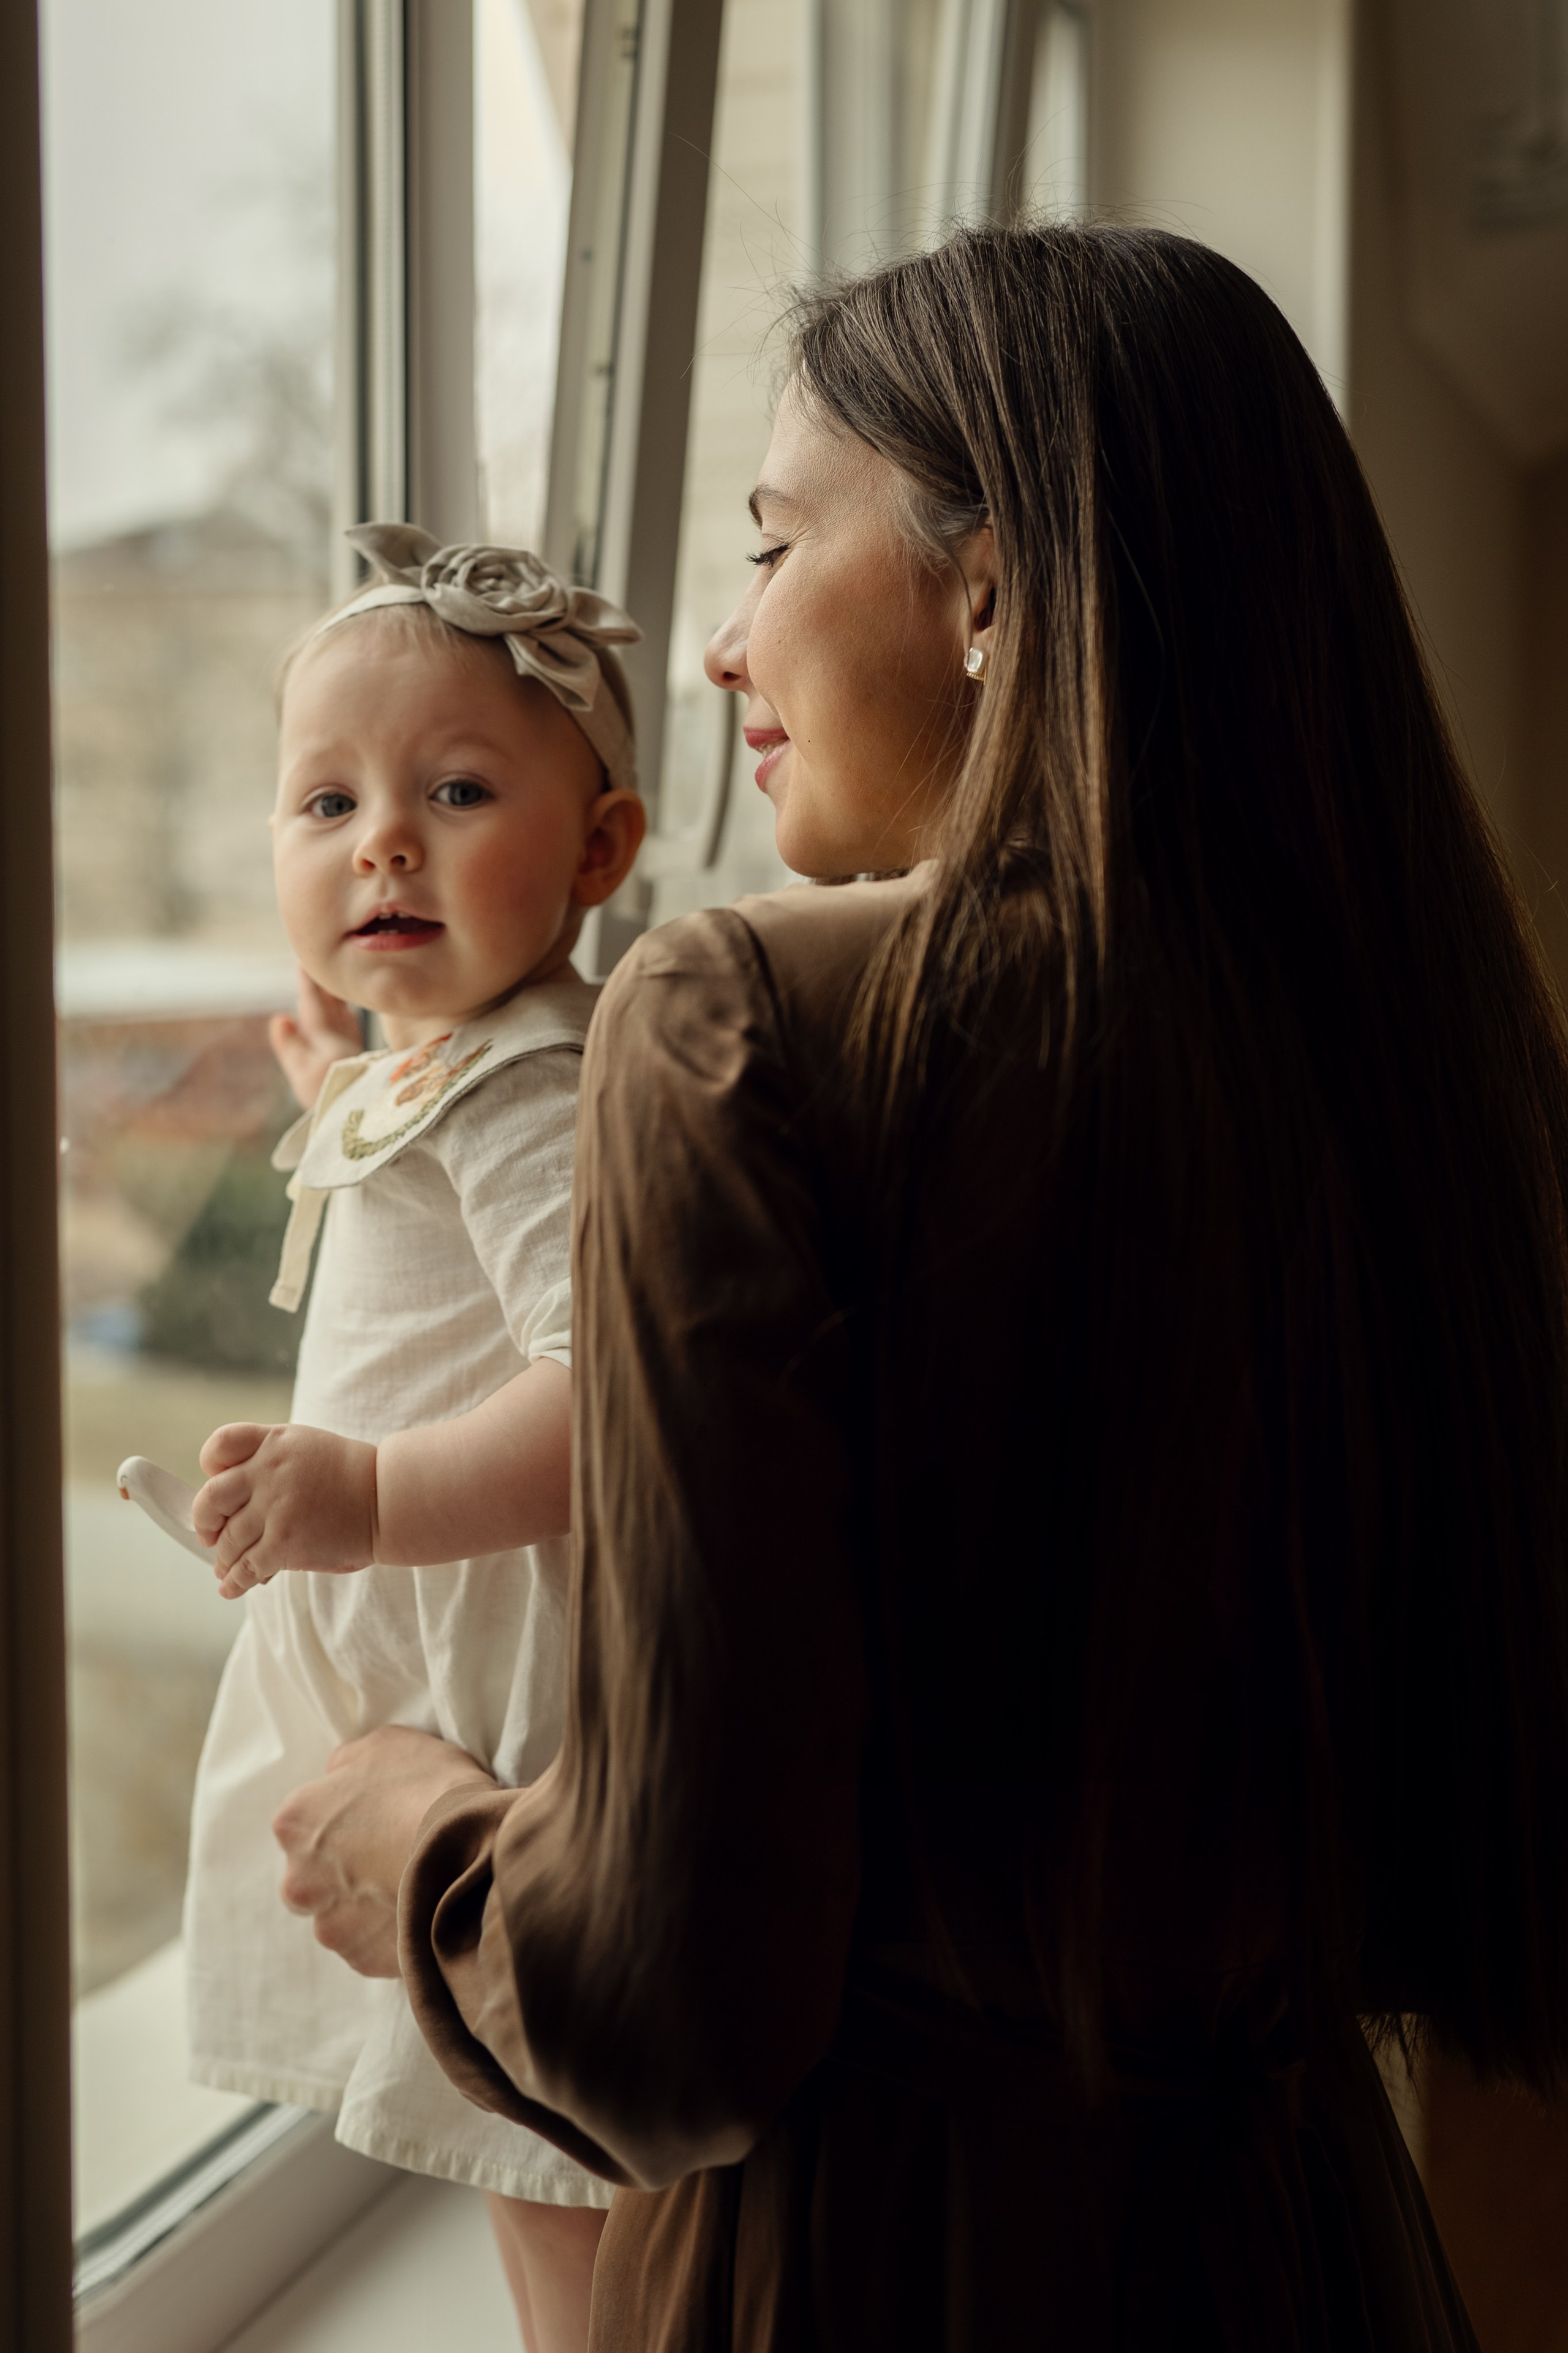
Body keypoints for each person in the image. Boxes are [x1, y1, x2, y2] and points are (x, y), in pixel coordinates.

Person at [269, 225, 1568, 2346]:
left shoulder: (743, 1024)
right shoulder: (1412, 1050)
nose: (716, 647)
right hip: (1317, 2251)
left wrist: (427, 1832)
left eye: (774, 541)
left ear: (991, 586)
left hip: (881, 2272)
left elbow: (664, 2004)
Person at [181, 524, 645, 2353]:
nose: (382, 837)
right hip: (452, 1707)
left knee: (550, 2163)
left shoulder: (537, 1087)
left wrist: (365, 1494)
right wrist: (349, 1085)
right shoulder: (462, 1064)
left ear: (601, 850)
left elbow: (605, 1382)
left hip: (510, 1717)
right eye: (327, 801)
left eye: (457, 789)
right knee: (511, 2154)